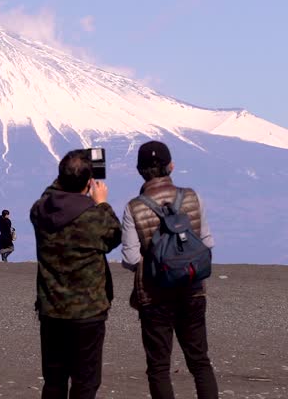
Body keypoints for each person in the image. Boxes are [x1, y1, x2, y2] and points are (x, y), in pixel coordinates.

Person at [120, 140, 219, 399]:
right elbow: (207, 243)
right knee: (200, 362)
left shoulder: (134, 207)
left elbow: (131, 257)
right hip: (192, 290)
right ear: (171, 166)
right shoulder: (191, 197)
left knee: (159, 367)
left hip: (153, 296)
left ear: (140, 170)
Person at [31, 149, 123, 399]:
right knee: (85, 382)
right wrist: (101, 201)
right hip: (88, 313)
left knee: (54, 381)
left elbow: (49, 195)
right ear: (88, 183)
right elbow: (115, 234)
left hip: (52, 310)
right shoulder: (94, 217)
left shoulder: (40, 211)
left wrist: (70, 172)